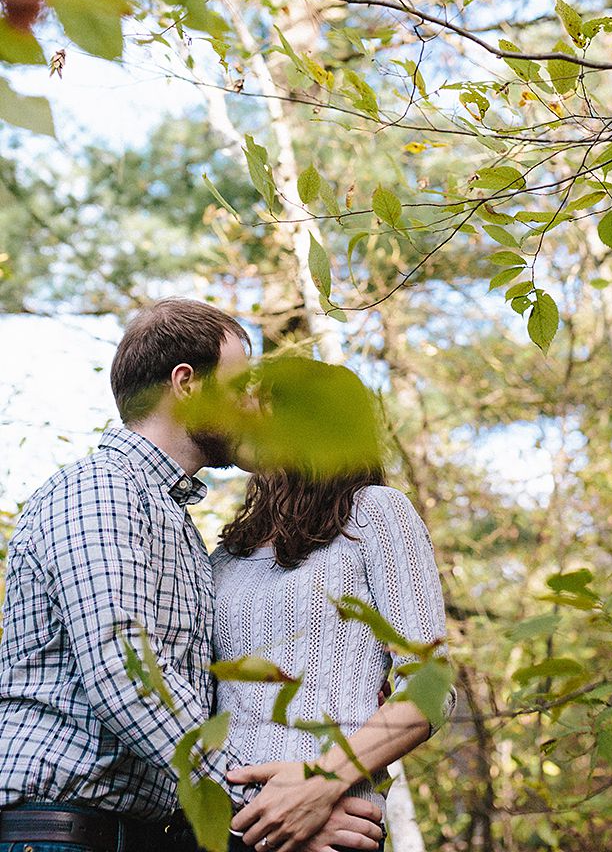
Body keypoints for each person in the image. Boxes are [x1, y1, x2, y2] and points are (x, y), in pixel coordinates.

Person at [0, 298, 384, 852]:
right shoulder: (101, 492)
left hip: (140, 835)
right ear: (186, 384)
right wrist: (269, 806)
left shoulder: (175, 522)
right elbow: (127, 675)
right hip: (65, 831)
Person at [211, 363, 456, 852]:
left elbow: (430, 687)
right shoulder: (227, 554)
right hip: (224, 828)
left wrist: (317, 784)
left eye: (255, 396)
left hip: (331, 828)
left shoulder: (376, 513)